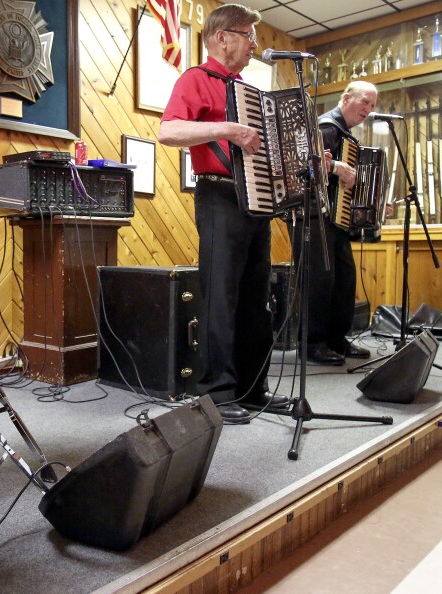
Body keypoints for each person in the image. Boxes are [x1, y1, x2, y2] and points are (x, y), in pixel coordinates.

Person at [157, 4, 288, 422]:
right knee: (220, 297)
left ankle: (252, 388)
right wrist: (228, 129)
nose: (254, 45)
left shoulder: (246, 90)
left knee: (256, 298)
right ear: (222, 37)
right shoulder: (196, 78)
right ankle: (216, 393)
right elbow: (168, 130)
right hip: (218, 197)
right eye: (248, 36)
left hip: (256, 200)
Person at [292, 81, 377, 365]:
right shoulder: (327, 127)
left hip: (334, 219)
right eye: (365, 102)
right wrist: (335, 167)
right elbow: (303, 165)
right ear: (346, 98)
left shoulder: (344, 134)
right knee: (319, 280)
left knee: (343, 279)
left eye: (372, 105)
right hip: (314, 216)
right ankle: (313, 343)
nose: (368, 109)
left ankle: (336, 339)